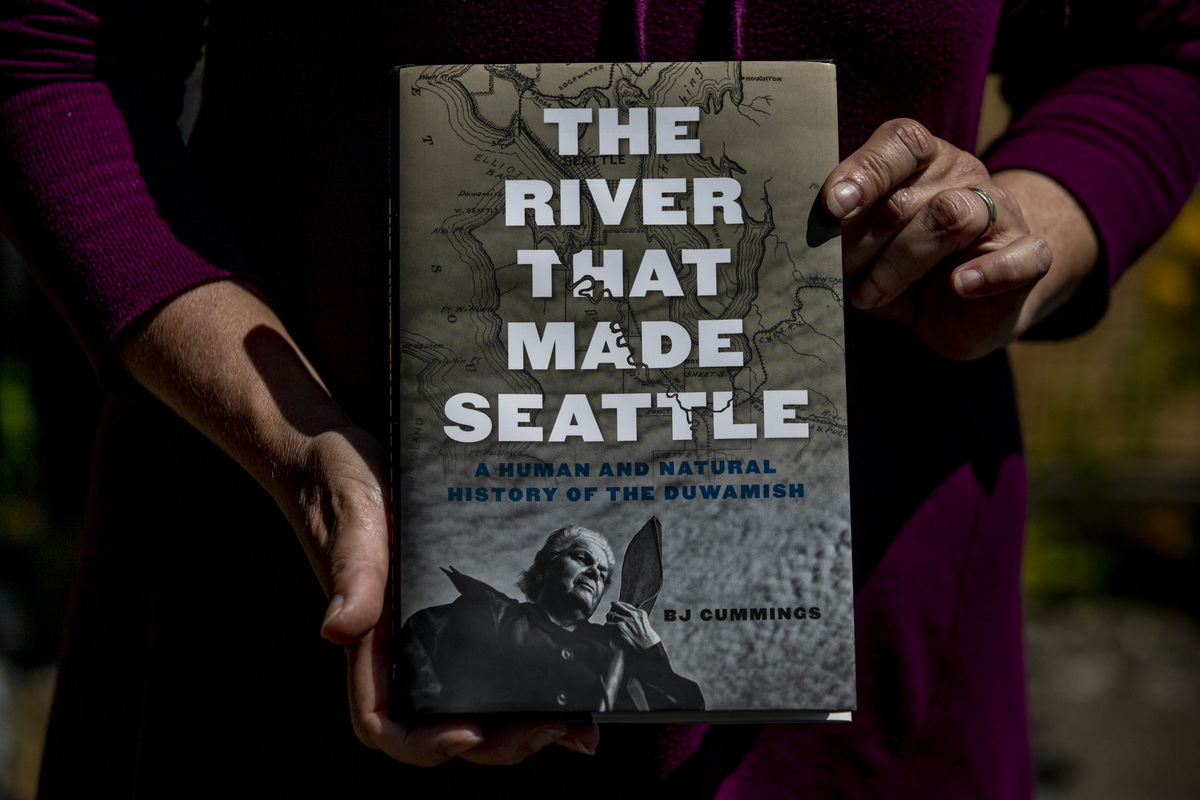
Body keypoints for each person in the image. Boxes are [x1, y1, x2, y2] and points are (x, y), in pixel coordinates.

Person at [2, 0, 1199, 797]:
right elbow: (49, 49)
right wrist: (293, 442)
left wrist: (1014, 234)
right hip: (278, 627)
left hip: (860, 670)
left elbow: (1161, 45)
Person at [398, 526, 704, 715]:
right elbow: (418, 637)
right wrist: (442, 717)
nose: (594, 574)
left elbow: (687, 709)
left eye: (602, 575)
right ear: (544, 568)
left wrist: (651, 650)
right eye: (583, 559)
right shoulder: (493, 614)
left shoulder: (613, 652)